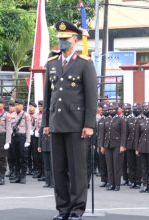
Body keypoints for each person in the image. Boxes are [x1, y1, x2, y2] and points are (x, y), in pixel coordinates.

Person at [42, 21, 97, 220]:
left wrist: (89, 124)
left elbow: (92, 97)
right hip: (56, 123)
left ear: (74, 40)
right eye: (60, 39)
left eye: (65, 39)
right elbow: (48, 96)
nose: (62, 42)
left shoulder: (84, 63)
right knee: (59, 169)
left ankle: (76, 209)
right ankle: (63, 209)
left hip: (76, 124)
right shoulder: (52, 63)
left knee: (77, 170)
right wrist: (46, 123)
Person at [99, 102, 126, 191]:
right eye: (109, 109)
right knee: (109, 165)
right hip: (107, 145)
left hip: (117, 145)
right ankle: (111, 184)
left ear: (116, 110)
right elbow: (102, 134)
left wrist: (122, 145)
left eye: (112, 109)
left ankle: (117, 184)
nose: (110, 111)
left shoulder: (120, 120)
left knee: (116, 165)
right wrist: (102, 146)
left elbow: (123, 134)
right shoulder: (106, 120)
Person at [134, 102, 149, 193]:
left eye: (148, 109)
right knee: (143, 167)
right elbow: (137, 136)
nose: (146, 110)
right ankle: (144, 185)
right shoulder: (139, 120)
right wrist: (136, 148)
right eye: (144, 109)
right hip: (142, 147)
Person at [10, 99, 31, 184]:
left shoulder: (26, 115)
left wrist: (28, 140)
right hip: (14, 137)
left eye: (19, 105)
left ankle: (23, 176)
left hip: (23, 137)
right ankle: (17, 175)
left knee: (23, 157)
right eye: (16, 105)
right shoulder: (12, 115)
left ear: (22, 106)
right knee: (15, 157)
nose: (17, 106)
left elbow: (28, 128)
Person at [127, 103, 143, 189]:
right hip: (130, 144)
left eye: (138, 108)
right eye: (135, 108)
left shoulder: (142, 119)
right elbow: (126, 133)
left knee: (138, 164)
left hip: (139, 145)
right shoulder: (129, 119)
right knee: (131, 164)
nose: (136, 110)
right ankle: (132, 181)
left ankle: (138, 181)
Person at [97, 103, 108, 187]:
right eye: (103, 110)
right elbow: (99, 134)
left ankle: (109, 180)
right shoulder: (100, 120)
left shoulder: (108, 120)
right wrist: (98, 145)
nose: (103, 111)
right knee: (102, 163)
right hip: (100, 143)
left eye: (105, 110)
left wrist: (104, 146)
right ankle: (104, 180)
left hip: (107, 144)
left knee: (108, 163)